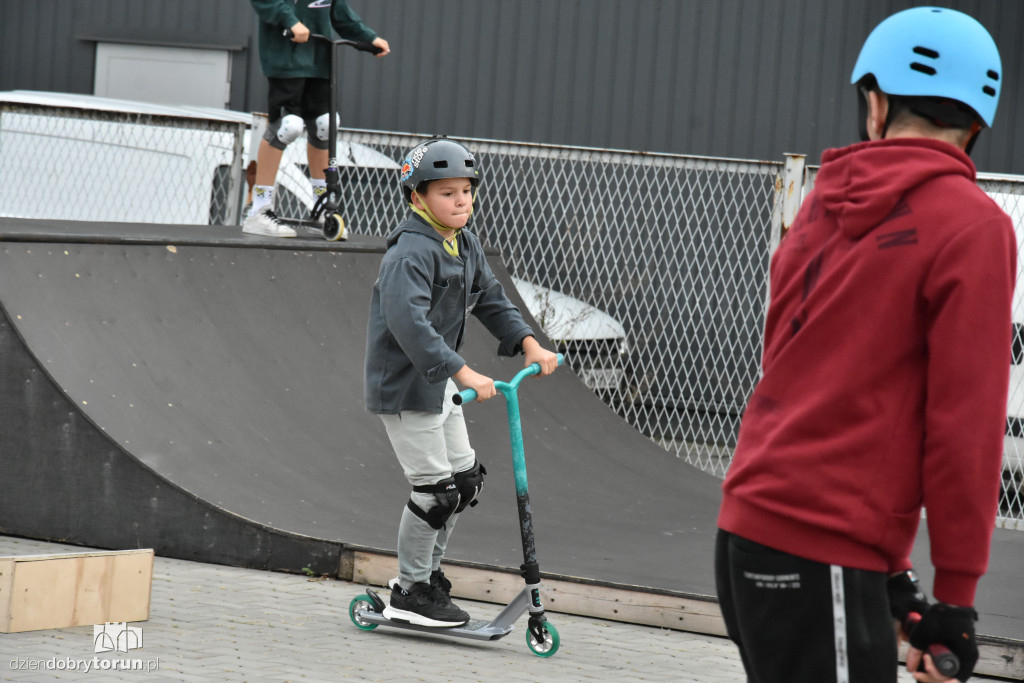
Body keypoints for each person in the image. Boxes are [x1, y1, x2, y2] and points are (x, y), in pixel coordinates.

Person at [714, 7, 1013, 683]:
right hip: (824, 545)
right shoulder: (973, 227)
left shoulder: (821, 203)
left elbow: (791, 367)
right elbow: (965, 424)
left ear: (875, 104)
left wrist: (891, 571)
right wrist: (956, 596)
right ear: (973, 128)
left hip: (748, 527)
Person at [364, 137, 560, 626]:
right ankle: (410, 590)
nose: (461, 201)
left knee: (465, 484)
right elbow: (410, 325)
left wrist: (527, 342)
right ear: (417, 198)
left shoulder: (463, 242)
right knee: (435, 493)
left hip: (443, 387)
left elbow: (492, 298)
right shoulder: (409, 254)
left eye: (467, 192)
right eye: (447, 193)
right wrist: (463, 369)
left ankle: (428, 578)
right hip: (408, 389)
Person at [244, 0, 389, 238]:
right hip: (286, 59)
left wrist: (369, 38)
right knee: (287, 126)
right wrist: (291, 22)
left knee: (325, 125)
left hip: (320, 61)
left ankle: (322, 207)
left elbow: (341, 14)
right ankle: (260, 210)